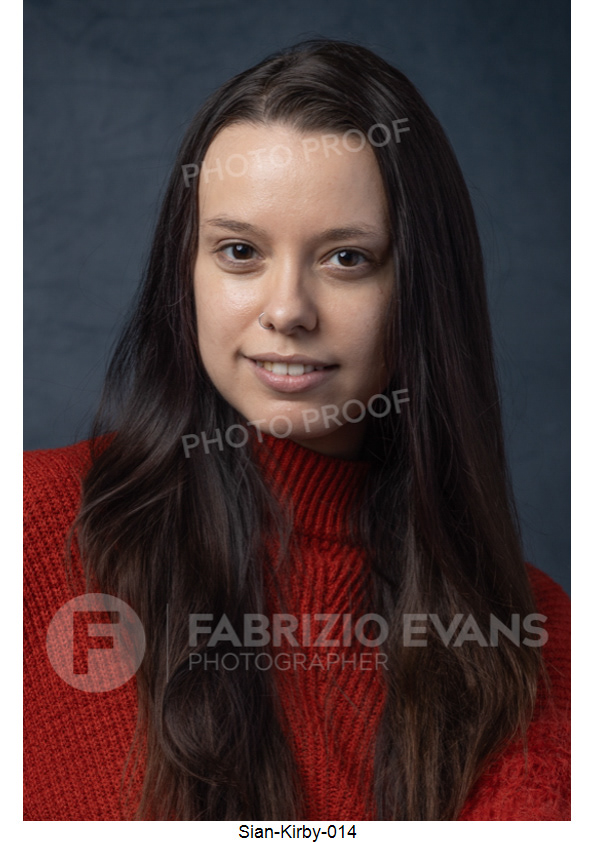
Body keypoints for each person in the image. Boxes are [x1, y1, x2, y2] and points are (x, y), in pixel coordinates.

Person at [23, 39, 570, 821]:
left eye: (346, 258)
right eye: (239, 251)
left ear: (422, 289)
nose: (286, 310)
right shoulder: (28, 525)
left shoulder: (539, 638)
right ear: (186, 271)